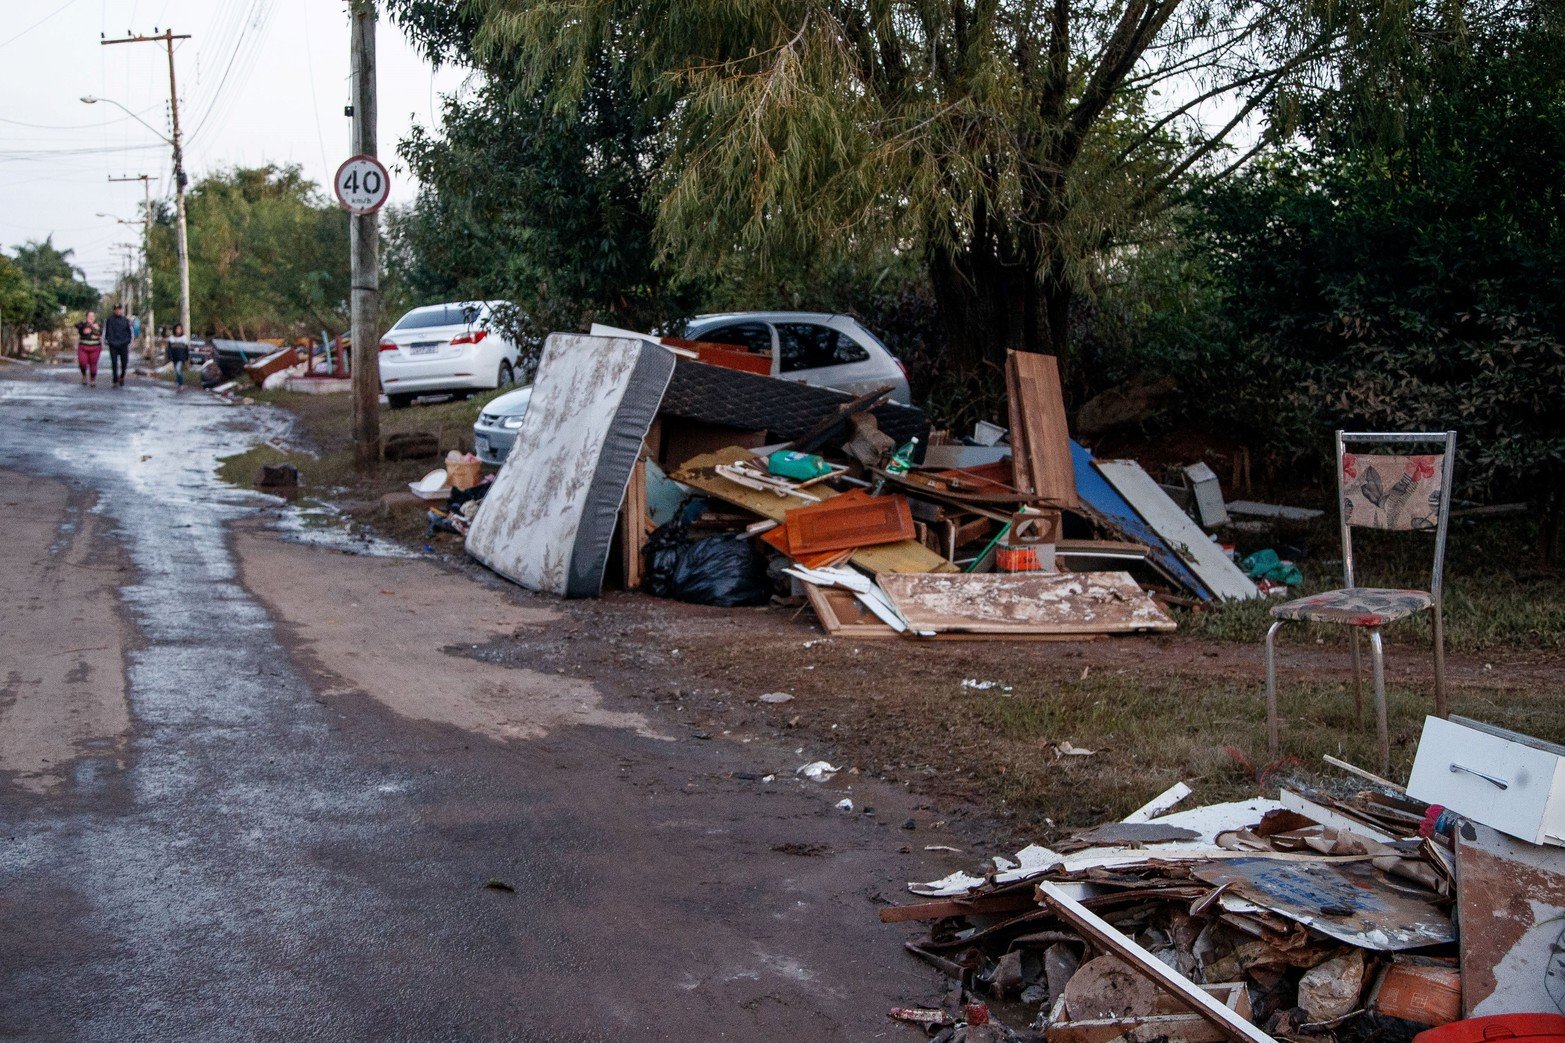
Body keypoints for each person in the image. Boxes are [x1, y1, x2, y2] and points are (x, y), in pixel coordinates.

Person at [105, 304, 134, 387]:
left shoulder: (125, 320)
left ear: (121, 310)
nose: (118, 311)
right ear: (114, 310)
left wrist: (128, 341)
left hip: (123, 344)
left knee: (124, 362)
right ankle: (115, 379)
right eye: (116, 309)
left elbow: (130, 332)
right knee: (114, 362)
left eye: (119, 309)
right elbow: (106, 331)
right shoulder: (109, 320)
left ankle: (122, 376)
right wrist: (108, 340)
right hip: (113, 344)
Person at [75, 310, 103, 385]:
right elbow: (78, 328)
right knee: (82, 363)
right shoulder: (83, 324)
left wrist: (92, 328)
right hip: (83, 347)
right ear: (86, 317)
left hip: (95, 347)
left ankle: (92, 379)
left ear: (95, 317)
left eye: (92, 316)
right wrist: (85, 326)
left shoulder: (98, 325)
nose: (91, 318)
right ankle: (84, 375)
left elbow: (99, 333)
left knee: (93, 364)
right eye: (89, 316)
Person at [167, 322, 190, 389]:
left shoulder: (184, 338)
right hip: (174, 358)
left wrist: (187, 358)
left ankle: (181, 384)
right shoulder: (171, 338)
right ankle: (178, 381)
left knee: (178, 369)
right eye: (177, 329)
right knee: (177, 371)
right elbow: (169, 349)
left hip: (181, 358)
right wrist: (170, 357)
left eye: (180, 329)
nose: (178, 330)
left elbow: (186, 349)